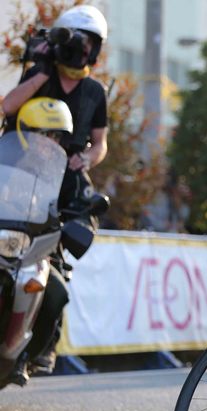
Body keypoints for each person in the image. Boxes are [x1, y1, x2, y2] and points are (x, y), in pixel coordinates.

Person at [1, 5, 109, 374]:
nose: (80, 48)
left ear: (96, 48)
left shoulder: (95, 91)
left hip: (65, 184)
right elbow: (7, 108)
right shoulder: (38, 75)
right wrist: (41, 70)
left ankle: (43, 344)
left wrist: (87, 161)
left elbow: (100, 143)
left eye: (87, 42)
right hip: (18, 175)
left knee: (54, 268)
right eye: (74, 40)